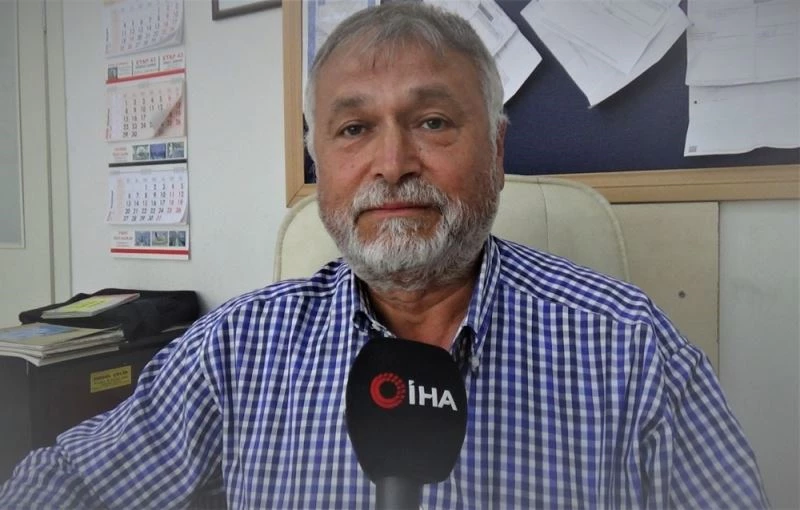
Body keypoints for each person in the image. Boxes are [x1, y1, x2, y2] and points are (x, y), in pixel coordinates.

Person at [1, 2, 768, 509]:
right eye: (354, 129)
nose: (393, 164)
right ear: (320, 164)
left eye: (433, 122)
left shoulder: (631, 348)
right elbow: (60, 488)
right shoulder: (233, 351)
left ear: (497, 153)